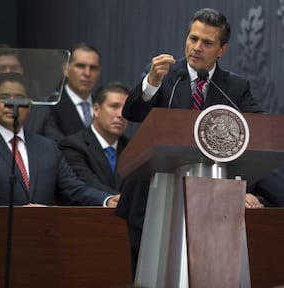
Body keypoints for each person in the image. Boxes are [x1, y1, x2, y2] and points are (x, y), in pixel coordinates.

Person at [115, 7, 264, 278]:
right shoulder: (165, 78)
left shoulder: (234, 87)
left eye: (207, 43)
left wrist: (247, 188)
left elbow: (260, 133)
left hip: (212, 204)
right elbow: (132, 113)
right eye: (193, 38)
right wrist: (150, 82)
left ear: (222, 49)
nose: (197, 47)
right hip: (150, 198)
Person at [0, 72, 119, 207]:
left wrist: (105, 200)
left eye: (20, 98)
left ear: (30, 105)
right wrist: (18, 217)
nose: (12, 105)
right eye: (4, 97)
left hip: (41, 239)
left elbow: (72, 188)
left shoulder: (48, 147)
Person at [59, 81, 131, 194]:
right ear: (96, 109)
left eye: (126, 108)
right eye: (114, 106)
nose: (121, 115)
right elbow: (87, 185)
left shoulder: (132, 147)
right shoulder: (73, 146)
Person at [0, 45, 51, 135]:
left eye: (14, 68)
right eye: (1, 69)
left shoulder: (41, 111)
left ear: (22, 70)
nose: (8, 72)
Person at [44, 43, 101, 141]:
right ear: (66, 69)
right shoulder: (50, 104)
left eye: (93, 68)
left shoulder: (103, 105)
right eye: (80, 66)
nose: (87, 73)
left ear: (99, 71)